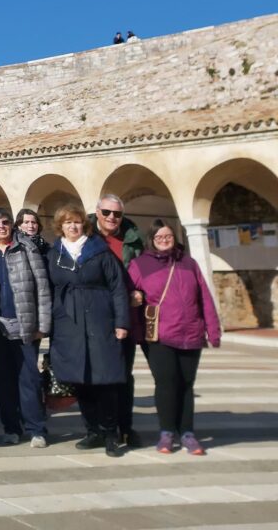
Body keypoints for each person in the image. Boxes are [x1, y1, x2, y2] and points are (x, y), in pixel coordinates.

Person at [128, 221, 221, 455]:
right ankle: (167, 433)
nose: (164, 239)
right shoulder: (140, 265)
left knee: (186, 385)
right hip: (159, 335)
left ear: (174, 237)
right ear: (151, 239)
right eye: (159, 236)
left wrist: (213, 330)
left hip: (191, 332)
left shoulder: (189, 263)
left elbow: (204, 298)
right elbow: (128, 295)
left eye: (168, 235)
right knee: (167, 384)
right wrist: (135, 301)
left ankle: (188, 433)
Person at [49, 204, 130, 457]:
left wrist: (121, 323)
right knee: (80, 379)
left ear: (84, 225)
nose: (72, 226)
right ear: (60, 226)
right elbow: (48, 289)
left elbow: (117, 287)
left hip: (99, 320)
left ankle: (110, 433)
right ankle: (92, 430)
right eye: (67, 222)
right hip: (68, 324)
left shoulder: (99, 251)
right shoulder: (54, 253)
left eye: (76, 222)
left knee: (104, 380)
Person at [0, 208, 52, 447]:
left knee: (29, 379)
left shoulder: (27, 248)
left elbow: (42, 287)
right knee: (1, 381)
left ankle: (36, 429)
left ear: (12, 225)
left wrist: (43, 324)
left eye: (6, 222)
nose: (2, 226)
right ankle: (11, 427)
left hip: (24, 323)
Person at [91, 193, 145, 446]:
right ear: (97, 212)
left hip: (125, 319)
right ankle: (100, 429)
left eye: (117, 213)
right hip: (96, 319)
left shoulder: (132, 240)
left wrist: (140, 292)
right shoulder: (85, 239)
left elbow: (146, 274)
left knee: (124, 376)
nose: (112, 217)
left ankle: (126, 427)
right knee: (99, 377)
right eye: (106, 212)